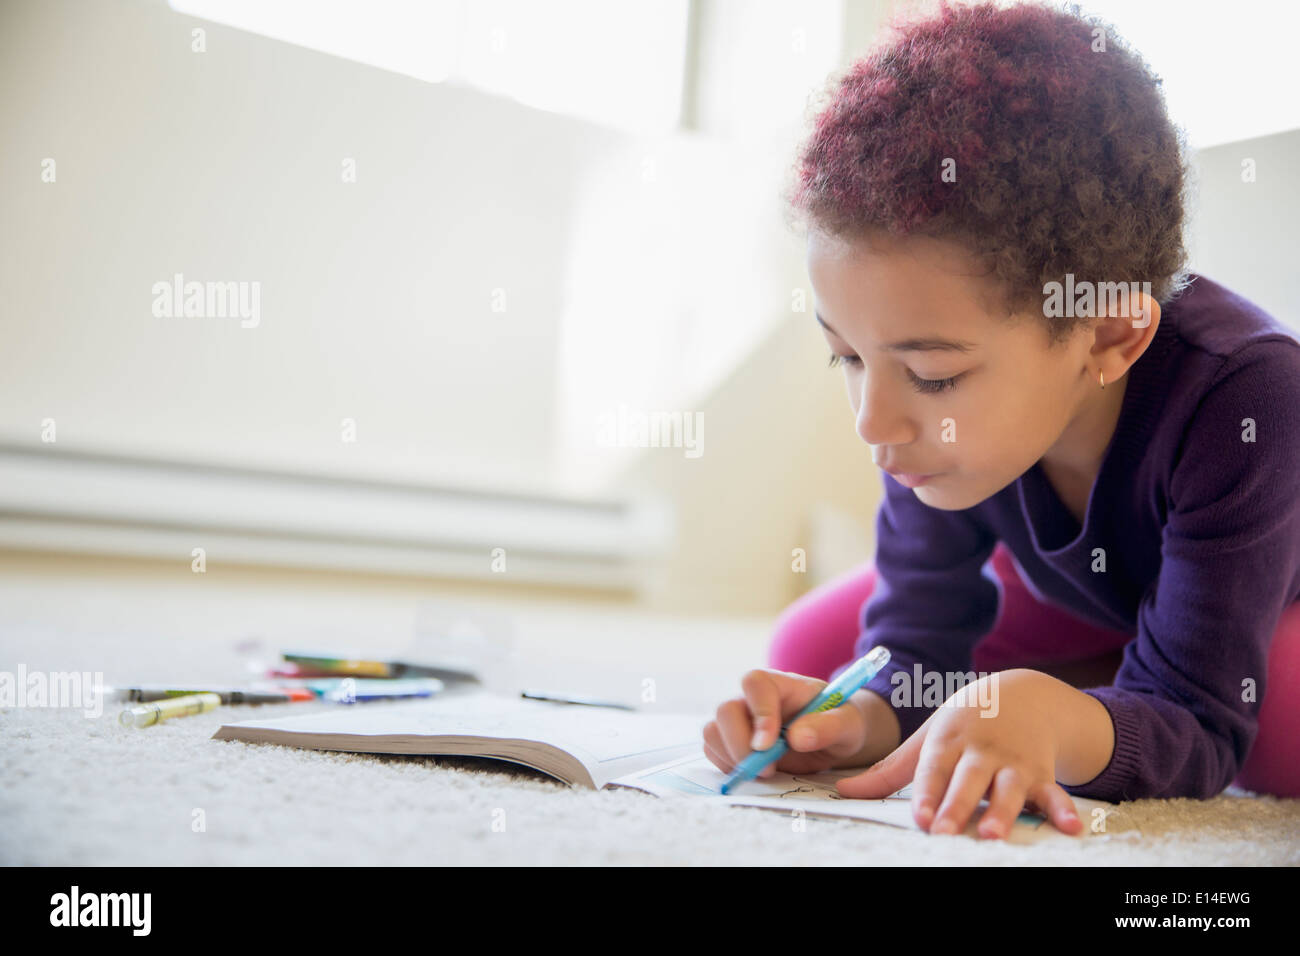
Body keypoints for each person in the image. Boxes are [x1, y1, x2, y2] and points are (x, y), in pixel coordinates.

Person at [701, 0, 1300, 840]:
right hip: (1088, 589)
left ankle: (1093, 684)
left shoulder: (1251, 394)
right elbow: (912, 642)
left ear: (1109, 336)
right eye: (847, 357)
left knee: (1282, 728)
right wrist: (859, 721)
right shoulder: (925, 435)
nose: (876, 424)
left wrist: (1062, 721)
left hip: (1259, 599)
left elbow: (1200, 719)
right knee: (813, 648)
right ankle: (1096, 677)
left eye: (934, 376)